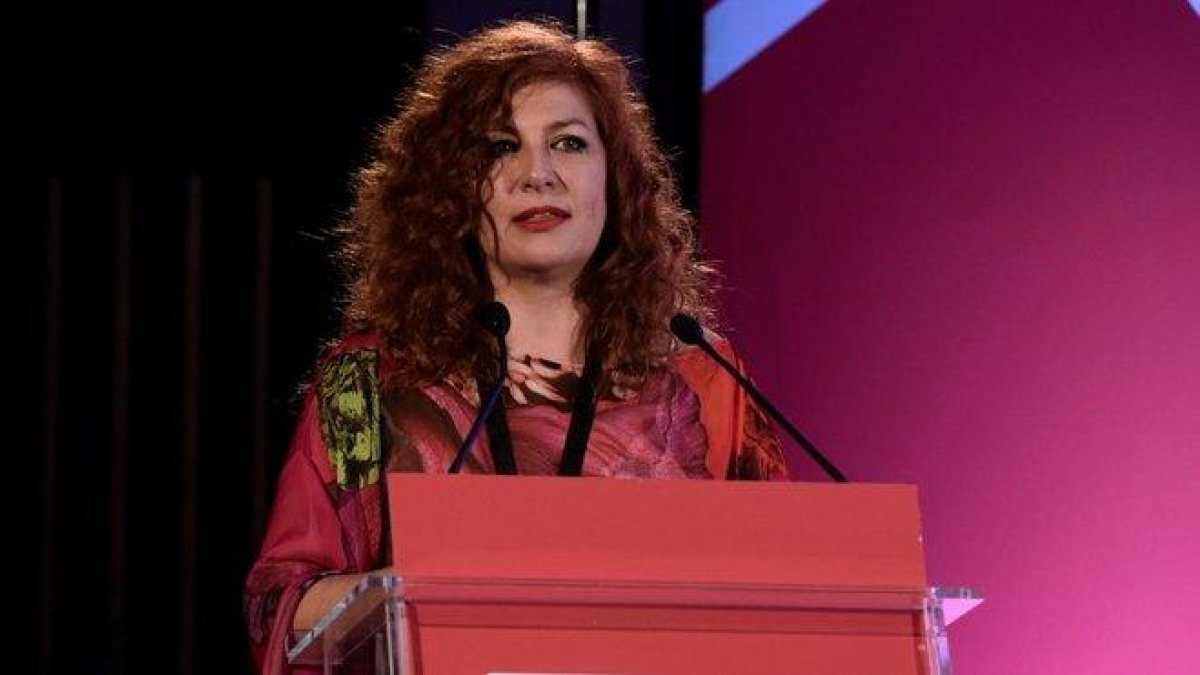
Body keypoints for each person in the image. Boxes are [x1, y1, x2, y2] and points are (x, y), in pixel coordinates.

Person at [244, 18, 789, 674]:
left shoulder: (702, 376)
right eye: (502, 147)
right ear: (451, 189)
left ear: (615, 180)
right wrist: (402, 592)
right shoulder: (366, 381)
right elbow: (280, 605)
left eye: (569, 143)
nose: (539, 174)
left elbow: (791, 588)